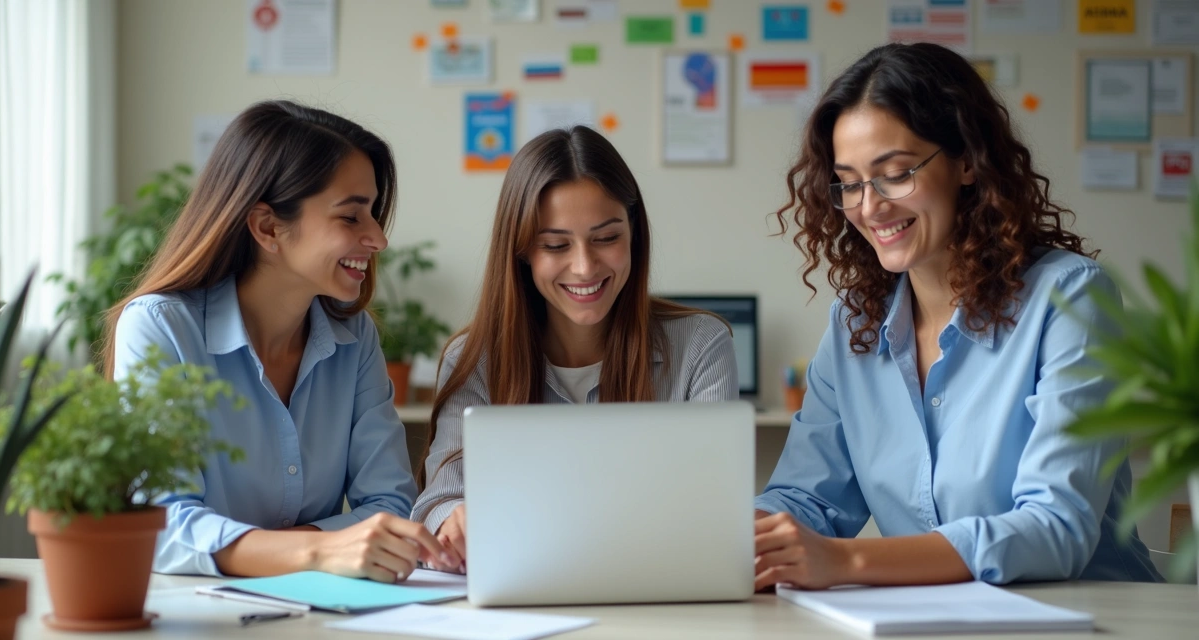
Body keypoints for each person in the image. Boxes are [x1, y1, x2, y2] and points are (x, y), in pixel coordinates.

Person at [754, 43, 1162, 590]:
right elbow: (807, 500)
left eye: (895, 173)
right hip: (931, 620)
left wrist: (846, 562)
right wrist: (728, 538)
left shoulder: (1070, 299)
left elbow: (1055, 527)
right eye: (849, 183)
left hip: (1091, 618)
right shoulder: (854, 323)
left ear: (967, 161)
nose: (869, 207)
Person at [107, 100, 449, 580]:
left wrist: (274, 552)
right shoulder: (161, 327)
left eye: (373, 213)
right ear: (268, 227)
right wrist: (318, 551)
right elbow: (162, 525)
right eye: (351, 217)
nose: (378, 238)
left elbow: (389, 504)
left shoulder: (355, 338)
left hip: (320, 608)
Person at [411, 126, 739, 572]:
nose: (584, 267)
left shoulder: (701, 345)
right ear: (522, 251)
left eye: (606, 238)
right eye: (555, 245)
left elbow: (714, 509)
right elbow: (437, 502)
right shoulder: (475, 358)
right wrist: (454, 519)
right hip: (521, 588)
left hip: (656, 588)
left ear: (634, 233)